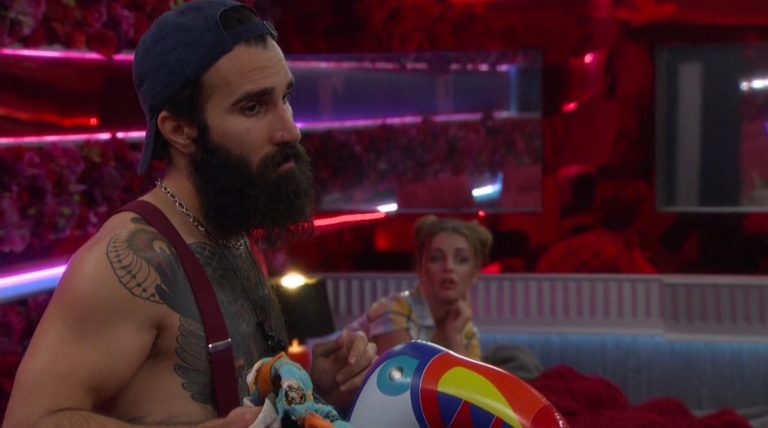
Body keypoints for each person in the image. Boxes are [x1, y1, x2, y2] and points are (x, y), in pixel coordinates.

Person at [3, 1, 377, 426]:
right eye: (252, 107)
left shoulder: (229, 228)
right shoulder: (122, 262)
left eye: (285, 98)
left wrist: (308, 387)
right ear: (179, 130)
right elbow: (28, 422)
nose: (289, 130)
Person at [349, 215, 493, 360]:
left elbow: (468, 376)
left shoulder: (463, 327)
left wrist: (453, 336)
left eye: (461, 259)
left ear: (475, 272)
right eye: (436, 258)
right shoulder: (393, 309)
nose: (448, 267)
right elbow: (404, 372)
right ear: (420, 266)